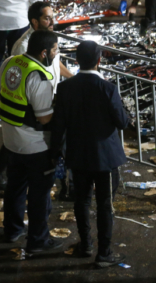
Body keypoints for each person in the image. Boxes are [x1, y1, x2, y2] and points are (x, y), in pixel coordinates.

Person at [51, 41, 130, 267]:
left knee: (81, 201)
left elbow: (59, 125)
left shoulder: (65, 88)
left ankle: (85, 245)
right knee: (105, 204)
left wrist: (55, 152)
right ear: (99, 60)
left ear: (76, 61)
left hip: (77, 155)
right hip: (104, 158)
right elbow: (122, 122)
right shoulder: (107, 88)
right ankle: (104, 253)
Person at [0, 1, 74, 191]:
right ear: (34, 21)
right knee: (21, 149)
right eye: (46, 18)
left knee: (14, 149)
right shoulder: (23, 48)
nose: (52, 22)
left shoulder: (48, 40)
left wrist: (72, 79)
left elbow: (56, 63)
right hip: (31, 111)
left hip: (40, 102)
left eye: (52, 17)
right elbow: (16, 81)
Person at [0, 30, 62, 254]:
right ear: (44, 53)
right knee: (39, 194)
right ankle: (38, 240)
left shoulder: (10, 62)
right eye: (55, 49)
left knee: (14, 187)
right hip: (36, 146)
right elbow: (44, 118)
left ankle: (12, 230)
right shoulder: (39, 77)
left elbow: (1, 90)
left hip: (10, 140)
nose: (57, 52)